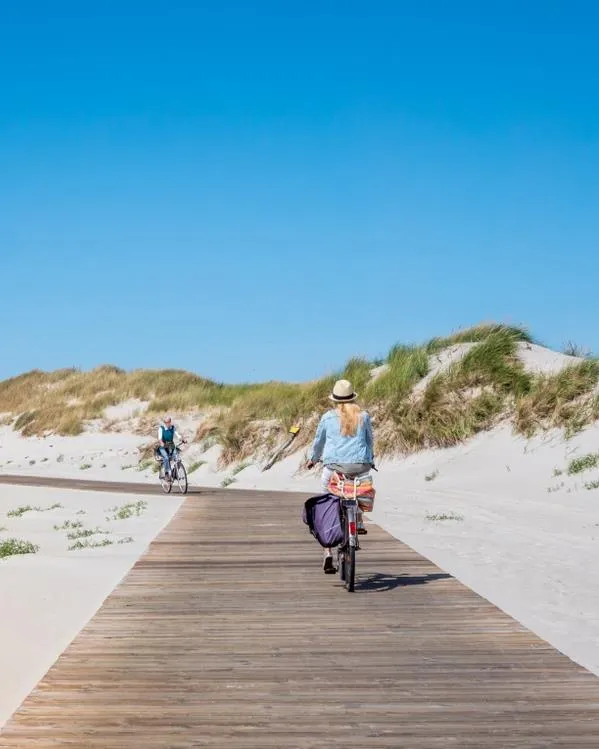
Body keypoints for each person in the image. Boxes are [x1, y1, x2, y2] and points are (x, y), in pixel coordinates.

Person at [306, 379, 375, 573]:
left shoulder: (328, 417)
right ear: (353, 397)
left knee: (325, 498)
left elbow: (319, 442)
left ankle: (327, 552)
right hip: (360, 465)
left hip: (334, 466)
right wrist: (370, 460)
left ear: (335, 399)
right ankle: (358, 520)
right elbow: (370, 441)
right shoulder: (364, 416)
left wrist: (313, 459)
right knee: (358, 489)